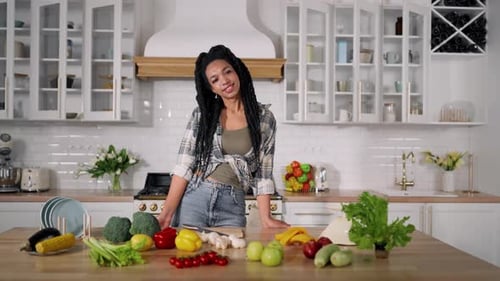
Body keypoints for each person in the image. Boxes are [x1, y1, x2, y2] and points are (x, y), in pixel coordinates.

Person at [157, 44, 289, 229]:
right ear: (212, 89)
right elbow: (184, 165)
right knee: (188, 256)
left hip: (233, 204)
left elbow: (263, 173)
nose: (224, 80)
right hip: (196, 198)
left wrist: (266, 218)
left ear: (238, 72)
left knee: (232, 256)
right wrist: (166, 214)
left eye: (227, 72)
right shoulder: (203, 115)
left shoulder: (265, 119)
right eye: (215, 79)